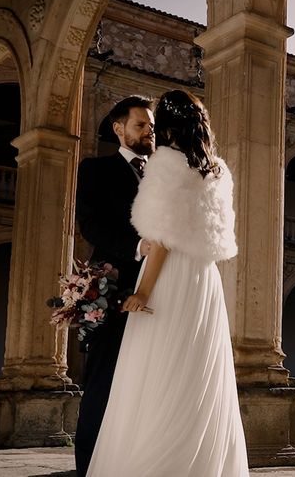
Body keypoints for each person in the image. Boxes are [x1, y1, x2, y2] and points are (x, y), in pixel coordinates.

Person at [87, 89, 248, 476]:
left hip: (170, 278)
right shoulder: (219, 171)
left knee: (155, 375)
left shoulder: (165, 164)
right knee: (197, 376)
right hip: (204, 282)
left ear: (169, 126)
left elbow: (160, 240)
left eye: (154, 123)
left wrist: (142, 291)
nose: (151, 131)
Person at [73, 95, 156, 477]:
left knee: (149, 382)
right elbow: (91, 225)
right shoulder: (96, 169)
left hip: (161, 290)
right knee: (103, 381)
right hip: (113, 287)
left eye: (151, 126)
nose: (148, 132)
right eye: (141, 125)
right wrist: (138, 247)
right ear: (118, 128)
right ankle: (90, 467)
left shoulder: (163, 173)